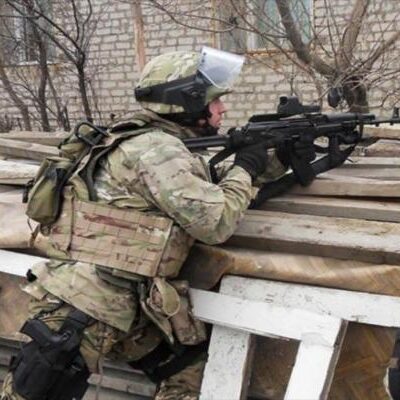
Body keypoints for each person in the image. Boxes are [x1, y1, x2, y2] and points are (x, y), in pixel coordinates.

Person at [1, 47, 307, 400]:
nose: (223, 108)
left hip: (132, 300)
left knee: (188, 374)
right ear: (187, 102)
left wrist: (274, 160)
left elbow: (202, 186)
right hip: (86, 304)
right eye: (216, 100)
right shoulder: (156, 150)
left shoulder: (155, 142)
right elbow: (215, 222)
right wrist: (246, 168)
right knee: (35, 391)